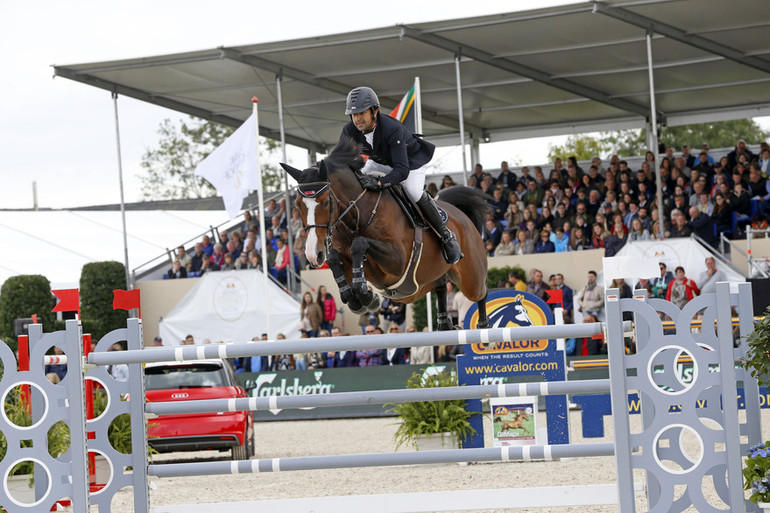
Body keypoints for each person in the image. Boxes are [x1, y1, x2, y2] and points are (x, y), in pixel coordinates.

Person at [340, 86, 461, 264]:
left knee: (412, 191)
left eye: (362, 113)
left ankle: (446, 235)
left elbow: (402, 170)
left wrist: (380, 183)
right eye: (354, 114)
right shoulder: (349, 130)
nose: (357, 119)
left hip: (410, 163)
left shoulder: (391, 128)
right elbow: (341, 160)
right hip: (379, 161)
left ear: (375, 111)